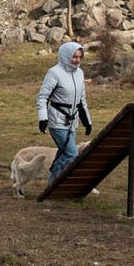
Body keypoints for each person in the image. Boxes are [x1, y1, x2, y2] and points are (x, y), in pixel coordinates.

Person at [36, 40, 92, 183]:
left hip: (72, 122)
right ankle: (54, 184)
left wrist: (87, 122)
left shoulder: (80, 73)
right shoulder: (54, 73)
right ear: (66, 56)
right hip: (57, 120)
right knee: (72, 153)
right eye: (74, 57)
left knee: (64, 152)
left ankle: (57, 181)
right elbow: (43, 97)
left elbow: (81, 99)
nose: (77, 60)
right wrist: (43, 118)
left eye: (80, 57)